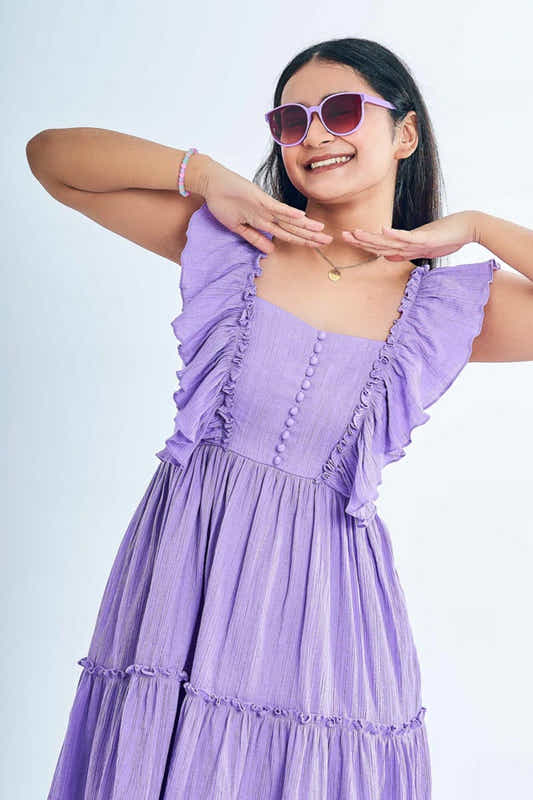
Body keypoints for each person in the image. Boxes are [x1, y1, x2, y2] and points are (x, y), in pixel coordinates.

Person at [27, 37, 532, 800]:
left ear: (404, 133)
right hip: (181, 576)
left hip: (324, 609)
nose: (315, 135)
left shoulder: (442, 309)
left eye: (339, 111)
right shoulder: (232, 244)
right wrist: (206, 177)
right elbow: (50, 158)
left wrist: (476, 226)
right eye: (291, 121)